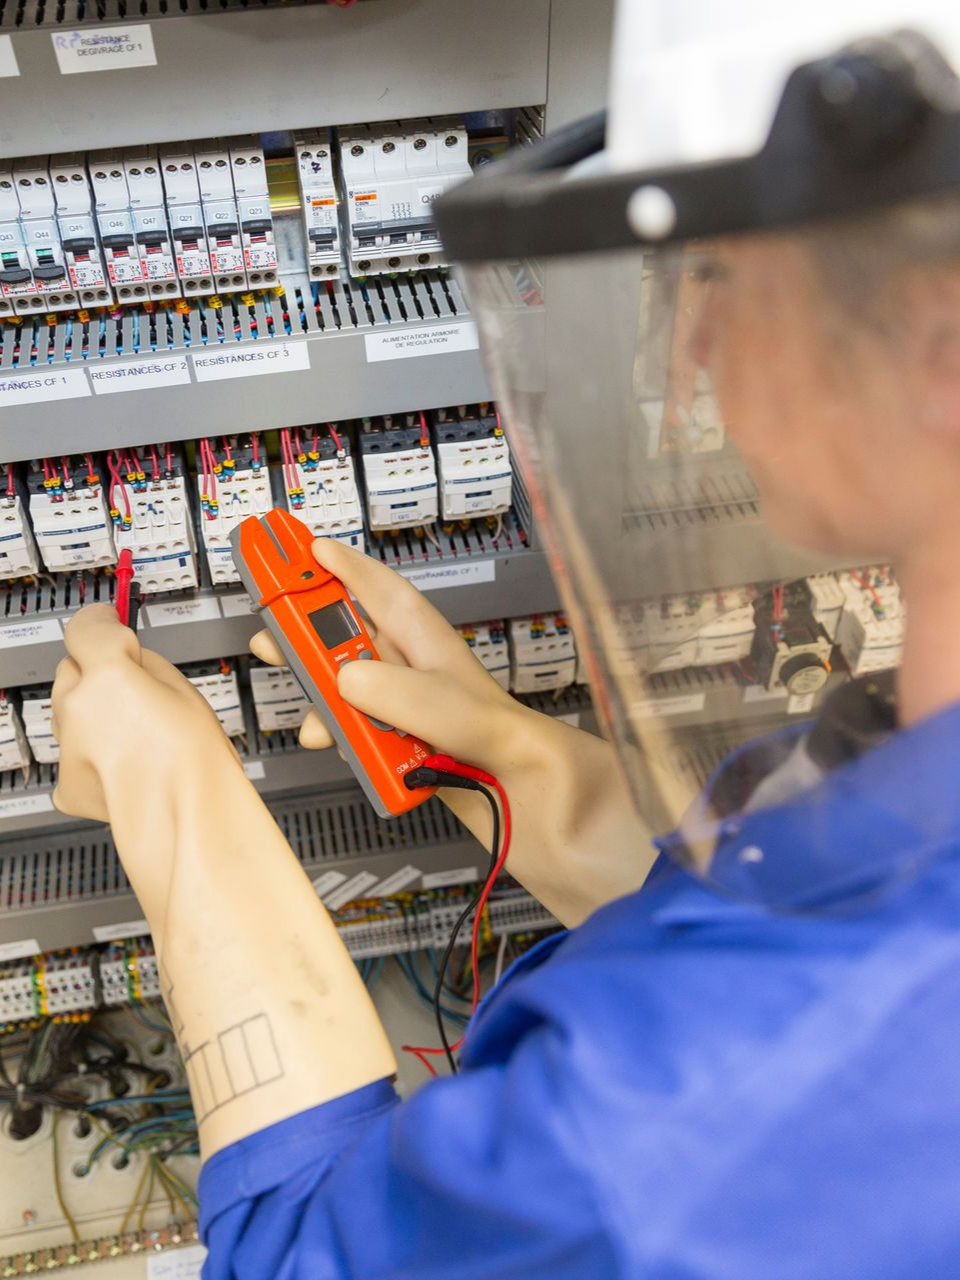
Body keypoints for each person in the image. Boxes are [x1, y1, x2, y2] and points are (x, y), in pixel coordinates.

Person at [50, 4, 960, 1276]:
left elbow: (304, 1255)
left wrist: (174, 798)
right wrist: (529, 772)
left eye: (720, 272)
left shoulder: (672, 1134)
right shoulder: (902, 759)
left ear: (939, 346)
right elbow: (760, 891)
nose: (689, 345)